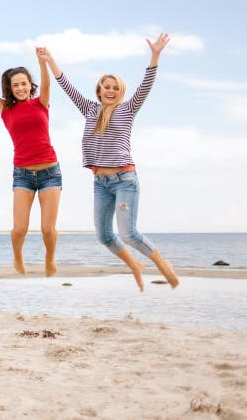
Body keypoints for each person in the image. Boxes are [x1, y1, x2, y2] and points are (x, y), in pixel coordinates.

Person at [40, 33, 179, 291]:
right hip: (100, 182)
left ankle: (163, 264)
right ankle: (135, 266)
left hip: (124, 180)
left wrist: (155, 55)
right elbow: (66, 85)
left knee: (128, 233)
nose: (111, 91)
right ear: (99, 90)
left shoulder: (128, 109)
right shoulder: (90, 109)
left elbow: (146, 84)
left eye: (115, 87)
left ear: (120, 92)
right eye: (107, 86)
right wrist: (50, 60)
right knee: (104, 236)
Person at [0, 40, 61, 277]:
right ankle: (18, 258)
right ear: (10, 89)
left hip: (50, 172)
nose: (20, 88)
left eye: (24, 84)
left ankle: (50, 258)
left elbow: (46, 84)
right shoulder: (5, 109)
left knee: (47, 229)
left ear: (29, 85)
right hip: (22, 173)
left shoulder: (41, 102)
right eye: (15, 85)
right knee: (19, 229)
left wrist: (43, 62)